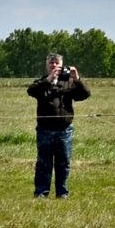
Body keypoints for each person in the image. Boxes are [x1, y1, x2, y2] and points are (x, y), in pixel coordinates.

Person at [27, 53, 90, 198]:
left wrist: (77, 78)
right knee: (44, 164)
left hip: (64, 131)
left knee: (63, 163)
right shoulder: (41, 82)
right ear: (46, 66)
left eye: (57, 63)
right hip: (44, 130)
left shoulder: (69, 82)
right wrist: (49, 80)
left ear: (62, 65)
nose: (54, 65)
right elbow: (31, 91)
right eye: (51, 63)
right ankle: (41, 193)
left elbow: (84, 95)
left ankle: (62, 193)